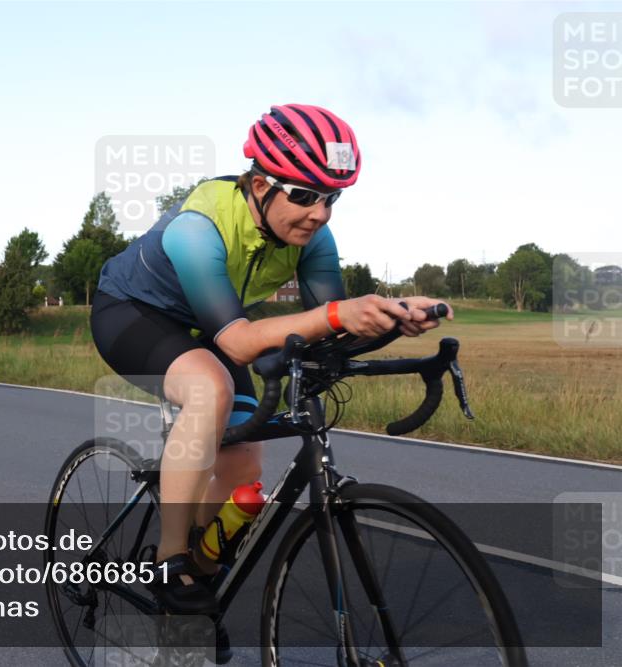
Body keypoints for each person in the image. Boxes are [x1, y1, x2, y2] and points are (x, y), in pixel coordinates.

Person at [90, 104, 453, 619]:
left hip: (209, 328)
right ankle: (170, 558)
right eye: (304, 196)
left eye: (332, 198)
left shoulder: (313, 237)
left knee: (241, 468)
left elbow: (332, 324)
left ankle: (196, 586)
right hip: (134, 315)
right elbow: (240, 343)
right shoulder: (199, 226)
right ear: (261, 185)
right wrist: (336, 313)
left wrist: (392, 317)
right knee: (210, 388)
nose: (320, 213)